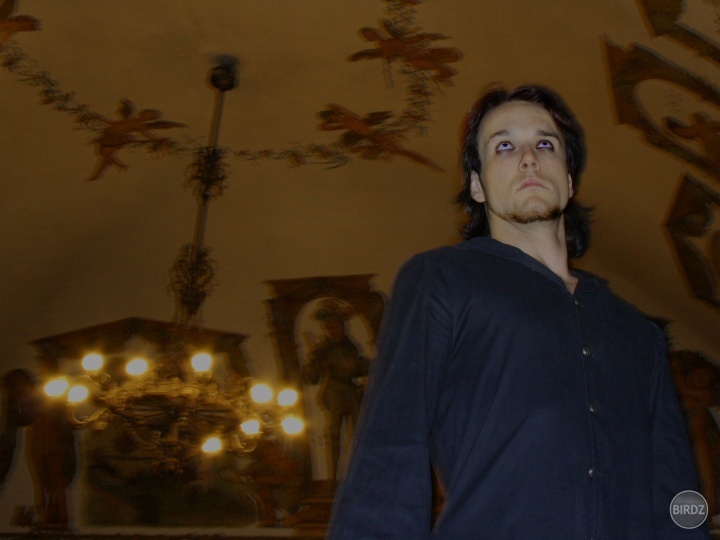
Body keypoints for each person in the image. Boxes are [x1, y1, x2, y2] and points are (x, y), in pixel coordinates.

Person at [327, 85, 708, 538]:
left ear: (569, 179)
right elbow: (389, 449)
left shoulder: (638, 332)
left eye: (545, 144)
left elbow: (678, 493)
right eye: (504, 146)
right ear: (477, 185)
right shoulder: (440, 280)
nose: (529, 158)